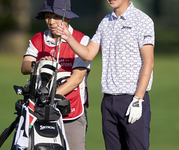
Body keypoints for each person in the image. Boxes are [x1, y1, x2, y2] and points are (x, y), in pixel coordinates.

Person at [56, 0, 155, 150]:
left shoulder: (142, 20)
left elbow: (148, 62)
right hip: (108, 101)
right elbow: (88, 54)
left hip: (132, 98)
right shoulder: (105, 21)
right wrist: (69, 37)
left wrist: (138, 99)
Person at [21, 0, 91, 150]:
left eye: (56, 16)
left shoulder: (82, 40)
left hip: (71, 111)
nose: (51, 21)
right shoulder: (37, 39)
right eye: (47, 16)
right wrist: (38, 64)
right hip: (40, 111)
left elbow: (76, 79)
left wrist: (49, 98)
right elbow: (25, 66)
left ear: (68, 18)